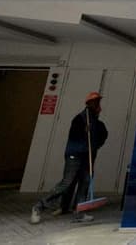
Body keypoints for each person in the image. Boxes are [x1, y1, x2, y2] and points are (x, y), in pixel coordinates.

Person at [30, 91, 108, 224]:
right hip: (75, 156)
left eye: (98, 102)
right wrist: (84, 133)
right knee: (66, 183)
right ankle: (39, 207)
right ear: (90, 104)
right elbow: (74, 137)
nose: (98, 106)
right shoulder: (80, 119)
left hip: (87, 158)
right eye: (95, 103)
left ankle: (79, 212)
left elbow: (102, 137)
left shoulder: (97, 124)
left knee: (85, 183)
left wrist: (95, 146)